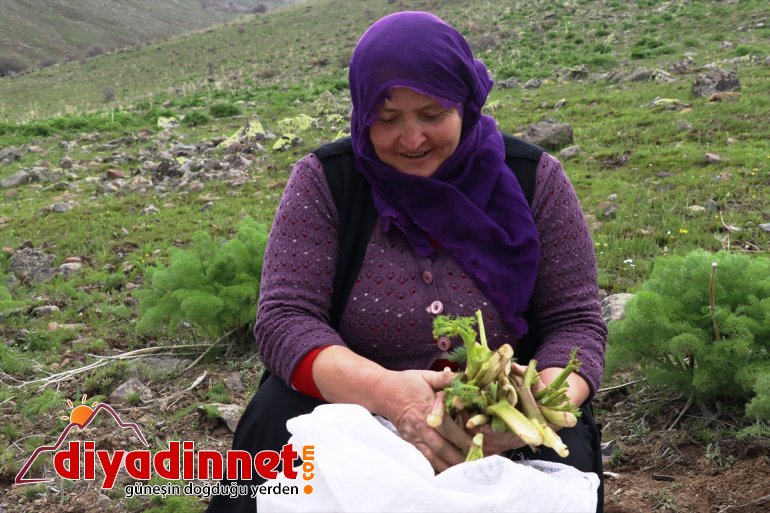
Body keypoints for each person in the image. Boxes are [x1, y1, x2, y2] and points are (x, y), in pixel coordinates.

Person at [207, 10, 606, 513]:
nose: (412, 139)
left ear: (465, 102)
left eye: (433, 115)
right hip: (350, 405)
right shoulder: (327, 183)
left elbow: (577, 324)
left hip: (503, 417)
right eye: (387, 119)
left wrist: (531, 412)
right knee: (276, 431)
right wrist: (389, 396)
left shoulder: (534, 181)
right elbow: (285, 319)